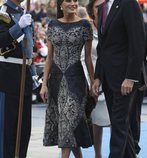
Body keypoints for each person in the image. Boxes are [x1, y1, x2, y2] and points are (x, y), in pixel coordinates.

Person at [40, 0, 94, 158]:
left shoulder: (85, 25)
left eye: (75, 1)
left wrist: (93, 83)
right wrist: (44, 84)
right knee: (69, 125)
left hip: (76, 80)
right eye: (69, 1)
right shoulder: (52, 25)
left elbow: (89, 59)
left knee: (68, 121)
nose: (73, 3)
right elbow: (49, 57)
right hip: (55, 80)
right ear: (61, 5)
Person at [92, 0, 146, 158]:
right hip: (108, 78)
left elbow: (137, 41)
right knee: (119, 123)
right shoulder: (102, 8)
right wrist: (98, 77)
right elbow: (102, 47)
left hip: (125, 78)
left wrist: (131, 77)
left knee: (118, 121)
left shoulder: (129, 3)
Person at [0, 0, 35, 157]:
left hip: (25, 73)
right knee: (7, 127)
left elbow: (29, 50)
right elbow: (1, 41)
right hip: (8, 73)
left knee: (24, 129)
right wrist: (18, 27)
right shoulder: (3, 13)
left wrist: (33, 73)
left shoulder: (24, 13)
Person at [80, 1, 111, 158]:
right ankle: (97, 154)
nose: (100, 8)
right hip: (94, 79)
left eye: (102, 5)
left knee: (115, 120)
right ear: (91, 9)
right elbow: (84, 59)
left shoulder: (113, 21)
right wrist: (91, 81)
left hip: (112, 77)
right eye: (97, 6)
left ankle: (119, 152)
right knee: (97, 122)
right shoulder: (87, 28)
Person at [130, 22, 147, 157]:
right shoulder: (118, 23)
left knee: (134, 115)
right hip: (117, 76)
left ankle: (134, 148)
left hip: (139, 79)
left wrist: (146, 75)